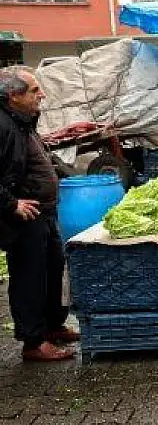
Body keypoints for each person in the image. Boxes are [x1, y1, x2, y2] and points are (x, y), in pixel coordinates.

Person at [0, 66, 77, 362]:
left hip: (44, 213)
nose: (41, 94)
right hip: (24, 216)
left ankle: (53, 325)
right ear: (13, 96)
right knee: (29, 276)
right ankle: (33, 341)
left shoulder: (21, 121)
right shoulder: (3, 126)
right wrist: (11, 204)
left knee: (53, 268)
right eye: (34, 90)